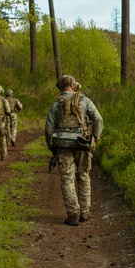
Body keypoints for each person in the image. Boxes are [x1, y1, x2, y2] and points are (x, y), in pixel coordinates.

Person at [45, 74, 104, 226]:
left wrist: (52, 147)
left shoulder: (56, 103)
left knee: (67, 178)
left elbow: (49, 129)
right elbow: (98, 119)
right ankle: (84, 211)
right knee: (83, 175)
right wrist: (95, 138)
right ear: (73, 85)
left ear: (60, 87)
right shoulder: (84, 100)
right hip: (83, 144)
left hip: (63, 145)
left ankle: (73, 213)